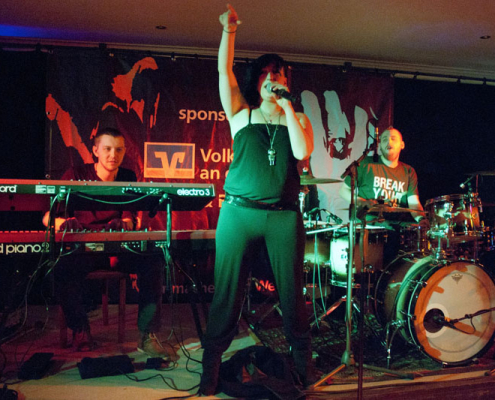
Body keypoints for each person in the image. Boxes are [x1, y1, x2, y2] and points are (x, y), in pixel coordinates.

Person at [199, 5, 315, 395]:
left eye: (278, 74)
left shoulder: (298, 118)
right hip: (239, 213)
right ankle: (211, 369)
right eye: (266, 74)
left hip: (283, 216)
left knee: (292, 292)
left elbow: (301, 152)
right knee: (227, 292)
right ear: (257, 80)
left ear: (286, 81)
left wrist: (287, 106)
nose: (272, 79)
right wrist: (228, 32)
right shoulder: (241, 114)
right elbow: (223, 72)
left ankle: (302, 366)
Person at [43, 127, 169, 358]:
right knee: (62, 265)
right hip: (84, 249)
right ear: (95, 151)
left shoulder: (128, 177)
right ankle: (80, 330)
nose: (113, 155)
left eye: (119, 150)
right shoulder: (76, 173)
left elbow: (131, 219)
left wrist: (124, 224)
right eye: (108, 149)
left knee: (152, 262)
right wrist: (64, 223)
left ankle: (147, 334)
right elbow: (47, 217)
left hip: (116, 249)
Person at [338, 127, 428, 264]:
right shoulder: (366, 164)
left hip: (397, 228)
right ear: (379, 146)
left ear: (402, 145)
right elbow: (343, 191)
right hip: (369, 226)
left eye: (393, 139)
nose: (388, 142)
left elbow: (414, 202)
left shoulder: (409, 171)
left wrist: (421, 219)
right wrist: (362, 201)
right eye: (384, 139)